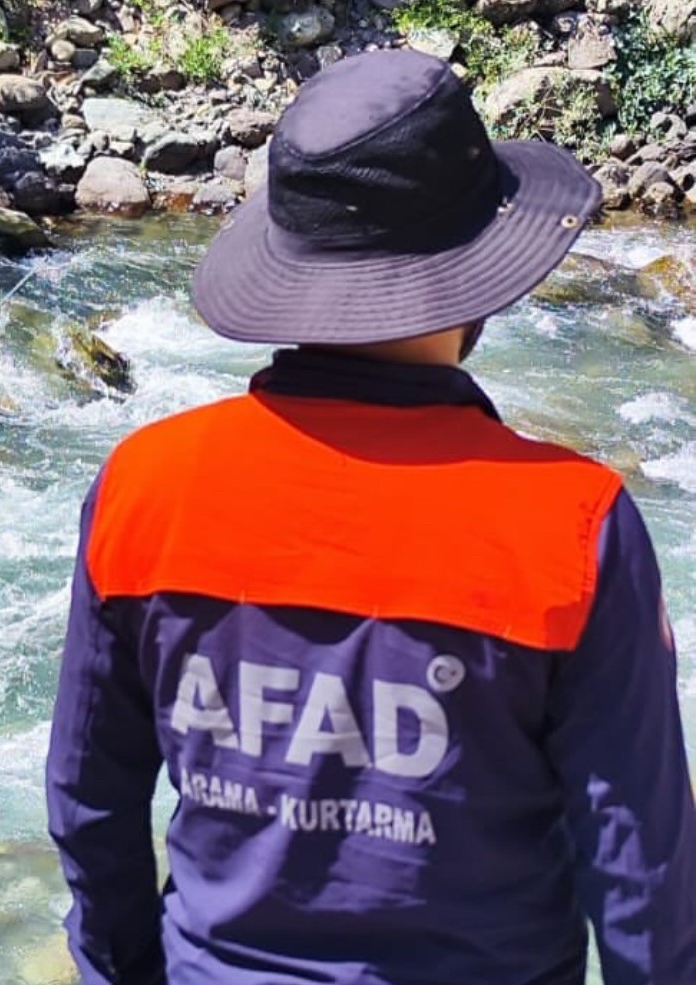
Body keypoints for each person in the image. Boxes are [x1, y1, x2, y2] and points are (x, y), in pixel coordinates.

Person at [45, 48, 696, 985]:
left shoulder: (144, 485)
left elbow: (88, 799)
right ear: (481, 275)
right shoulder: (574, 522)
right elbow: (641, 869)